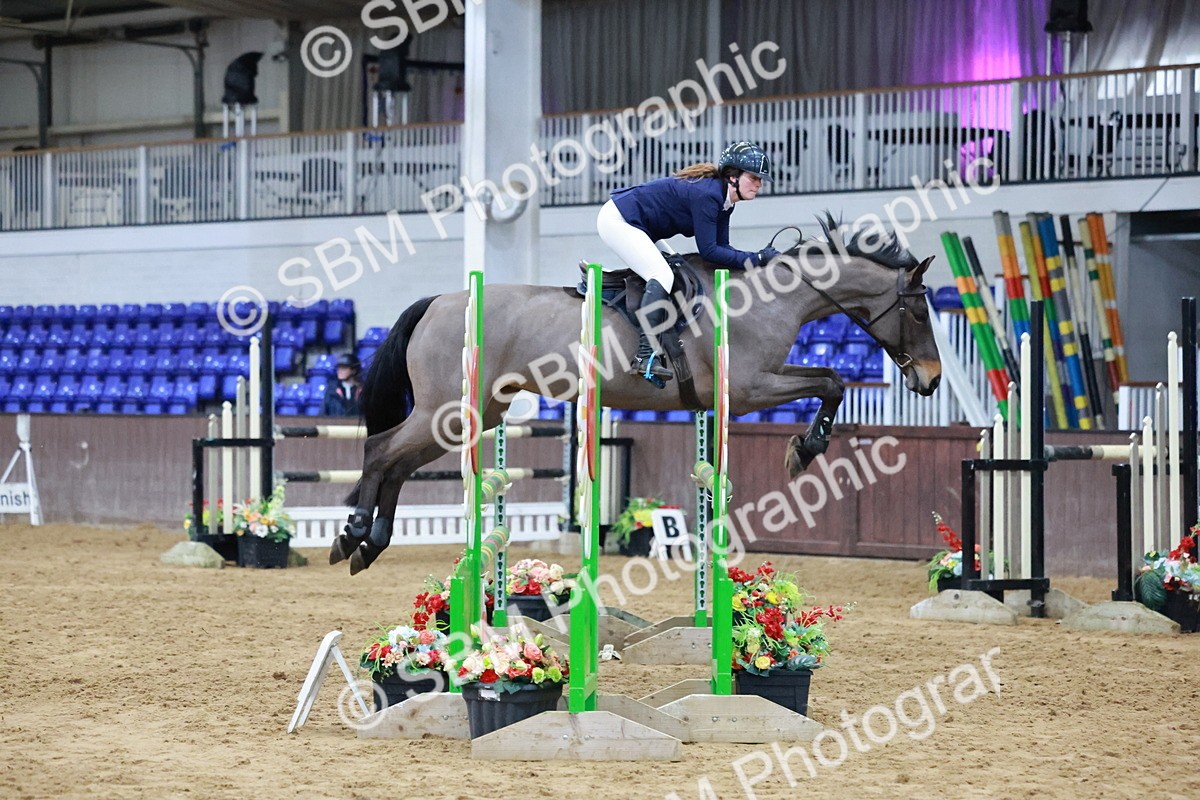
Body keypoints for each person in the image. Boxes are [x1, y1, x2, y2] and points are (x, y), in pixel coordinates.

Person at [596, 141, 779, 386]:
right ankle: (645, 356)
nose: (759, 184)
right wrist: (755, 259)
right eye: (754, 177)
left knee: (677, 268)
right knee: (662, 276)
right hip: (619, 220)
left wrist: (755, 261)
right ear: (732, 176)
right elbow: (710, 251)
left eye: (760, 179)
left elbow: (723, 250)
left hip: (642, 226)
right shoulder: (708, 195)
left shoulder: (725, 203)